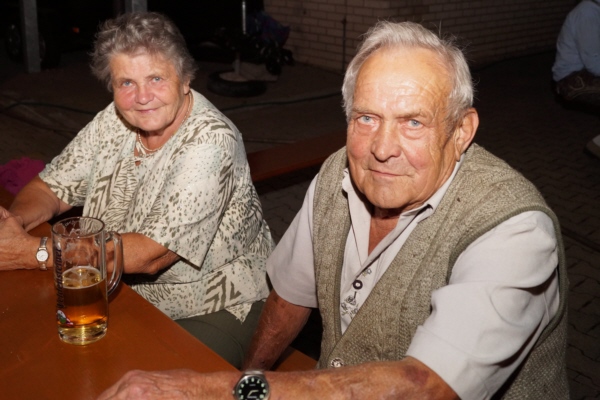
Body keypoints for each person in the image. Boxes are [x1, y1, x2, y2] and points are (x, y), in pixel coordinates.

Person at [98, 20, 569, 399]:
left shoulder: (515, 229)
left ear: (461, 131)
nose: (382, 148)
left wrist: (221, 390)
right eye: (367, 118)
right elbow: (288, 298)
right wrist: (250, 376)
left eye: (412, 122)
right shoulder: (336, 176)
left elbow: (426, 386)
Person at [0, 12, 273, 369]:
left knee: (129, 380)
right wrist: (12, 224)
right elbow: (50, 186)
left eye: (156, 78)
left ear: (185, 79)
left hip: (212, 304)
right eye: (126, 82)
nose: (141, 97)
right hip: (123, 288)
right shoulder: (113, 120)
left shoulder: (211, 142)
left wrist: (31, 252)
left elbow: (149, 255)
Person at [552, 0, 600, 158]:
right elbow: (594, 63)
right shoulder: (587, 12)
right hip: (571, 79)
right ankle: (597, 144)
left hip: (586, 72)